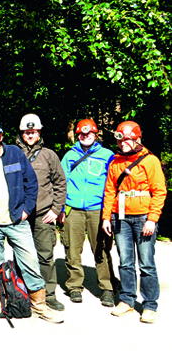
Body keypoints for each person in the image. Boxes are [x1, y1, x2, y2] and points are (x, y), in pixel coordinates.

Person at [0, 120, 62, 323]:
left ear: (1, 136)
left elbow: (31, 183)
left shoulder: (15, 153)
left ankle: (40, 305)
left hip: (16, 220)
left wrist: (26, 210)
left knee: (30, 262)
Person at [102, 121, 167, 323]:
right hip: (121, 217)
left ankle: (149, 305)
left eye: (128, 139)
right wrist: (106, 217)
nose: (123, 144)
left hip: (143, 217)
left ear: (137, 139)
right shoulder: (115, 162)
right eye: (120, 140)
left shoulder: (150, 161)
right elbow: (110, 190)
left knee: (146, 263)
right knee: (126, 262)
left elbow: (159, 191)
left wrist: (152, 219)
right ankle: (127, 300)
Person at [59, 119, 116, 306]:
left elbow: (113, 184)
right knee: (72, 249)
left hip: (97, 209)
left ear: (96, 134)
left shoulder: (107, 155)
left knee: (101, 249)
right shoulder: (69, 156)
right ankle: (75, 286)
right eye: (82, 134)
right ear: (77, 135)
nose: (85, 136)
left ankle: (107, 288)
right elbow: (61, 183)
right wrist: (60, 208)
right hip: (73, 208)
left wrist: (110, 211)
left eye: (89, 133)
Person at [16, 114, 67, 311]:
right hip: (19, 214)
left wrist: (56, 209)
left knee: (45, 255)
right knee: (22, 255)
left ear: (39, 133)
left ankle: (49, 294)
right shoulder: (11, 153)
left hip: (43, 214)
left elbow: (60, 183)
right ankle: (23, 292)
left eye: (34, 131)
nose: (30, 135)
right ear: (22, 132)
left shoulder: (49, 155)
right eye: (27, 132)